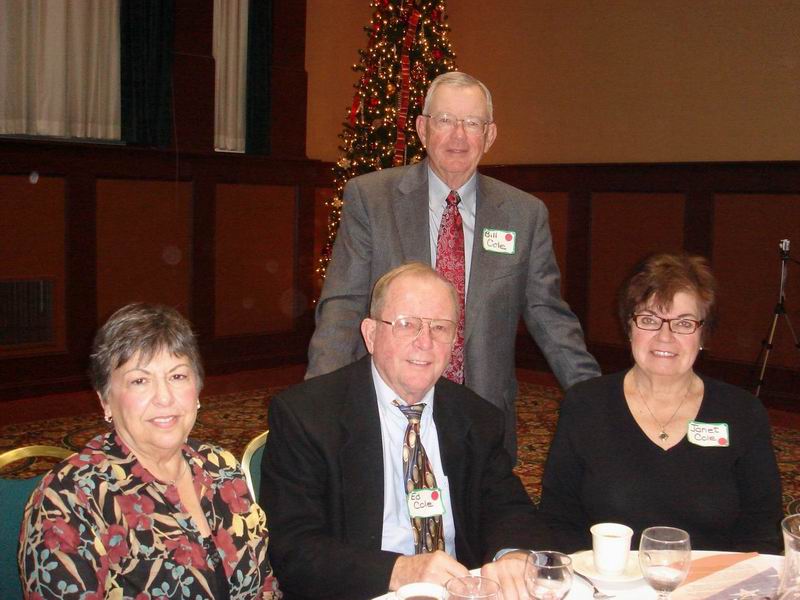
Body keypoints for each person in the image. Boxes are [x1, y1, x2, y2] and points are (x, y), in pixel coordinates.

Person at [307, 71, 600, 459]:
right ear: (423, 129)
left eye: (472, 123)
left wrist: (597, 399)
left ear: (489, 136)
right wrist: (316, 400)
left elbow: (550, 316)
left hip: (482, 414)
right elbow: (343, 307)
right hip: (386, 406)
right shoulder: (372, 199)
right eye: (445, 120)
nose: (458, 136)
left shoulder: (523, 215)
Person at [262, 263, 551, 600]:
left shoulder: (476, 417)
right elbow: (293, 548)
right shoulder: (308, 417)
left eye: (440, 327)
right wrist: (399, 571)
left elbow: (510, 508)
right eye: (406, 324)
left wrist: (512, 554)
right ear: (371, 334)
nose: (425, 342)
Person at [18, 303, 279, 599]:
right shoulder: (69, 499)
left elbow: (265, 585)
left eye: (177, 376)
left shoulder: (221, 468)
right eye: (139, 381)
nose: (164, 397)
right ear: (105, 400)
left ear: (197, 388)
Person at [539, 253, 783, 554]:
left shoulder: (741, 412)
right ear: (629, 328)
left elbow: (762, 529)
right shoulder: (586, 404)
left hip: (715, 579)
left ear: (703, 334)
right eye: (649, 320)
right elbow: (558, 519)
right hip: (608, 578)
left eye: (684, 323)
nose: (665, 337)